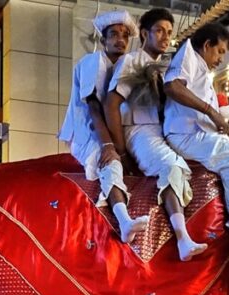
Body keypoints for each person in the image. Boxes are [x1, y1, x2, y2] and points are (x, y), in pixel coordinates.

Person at [105, 8, 209, 261]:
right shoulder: (131, 61)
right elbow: (111, 104)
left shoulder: (167, 68)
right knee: (172, 166)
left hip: (166, 131)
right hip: (138, 128)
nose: (166, 37)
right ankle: (182, 238)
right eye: (159, 31)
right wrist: (120, 149)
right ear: (144, 34)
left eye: (169, 32)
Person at [163, 23, 229, 257]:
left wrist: (218, 120)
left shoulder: (203, 73)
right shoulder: (189, 54)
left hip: (196, 135)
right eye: (219, 51)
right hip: (183, 136)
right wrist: (211, 112)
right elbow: (172, 86)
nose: (221, 59)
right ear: (207, 45)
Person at [60, 10, 149, 245]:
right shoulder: (92, 62)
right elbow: (93, 108)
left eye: (125, 36)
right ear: (103, 40)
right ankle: (124, 220)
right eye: (114, 35)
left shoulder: (125, 65)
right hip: (87, 132)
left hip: (108, 132)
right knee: (111, 163)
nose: (120, 40)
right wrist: (109, 146)